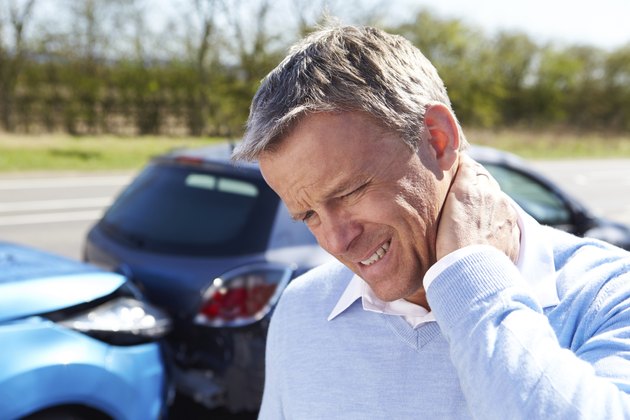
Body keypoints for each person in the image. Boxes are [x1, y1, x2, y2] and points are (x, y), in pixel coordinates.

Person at [231, 24, 630, 419]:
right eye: (310, 215)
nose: (337, 242)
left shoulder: (610, 298)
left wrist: (474, 282)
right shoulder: (302, 309)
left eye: (349, 192)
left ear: (437, 139)